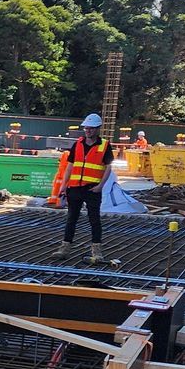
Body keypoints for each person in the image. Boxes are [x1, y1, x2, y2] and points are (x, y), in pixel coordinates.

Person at [49, 113, 116, 264]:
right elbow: (70, 166)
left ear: (98, 129)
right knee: (71, 219)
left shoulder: (104, 145)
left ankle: (97, 252)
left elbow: (108, 168)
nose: (88, 131)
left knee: (94, 220)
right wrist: (64, 185)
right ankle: (64, 248)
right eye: (86, 128)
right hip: (75, 189)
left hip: (92, 189)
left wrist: (100, 186)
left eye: (91, 128)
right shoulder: (77, 144)